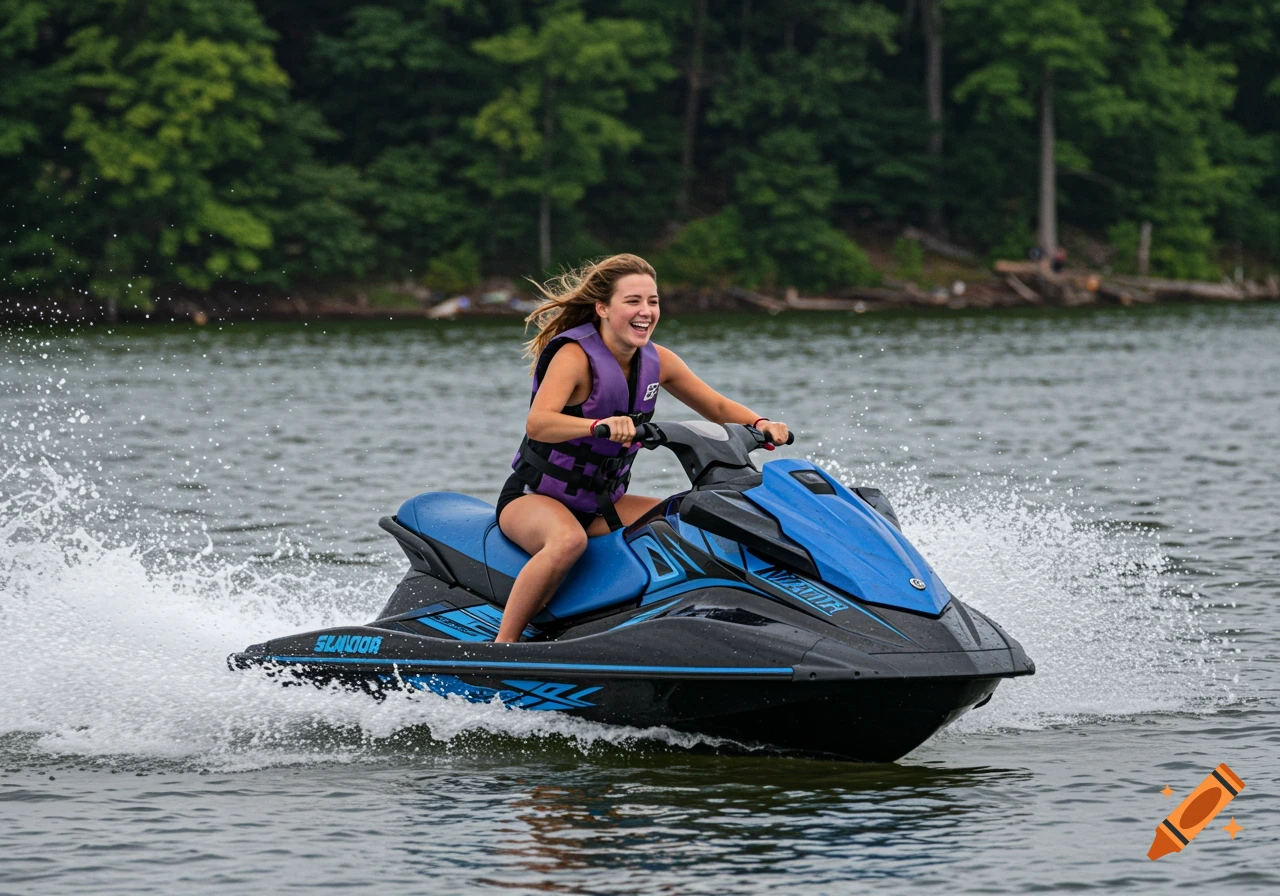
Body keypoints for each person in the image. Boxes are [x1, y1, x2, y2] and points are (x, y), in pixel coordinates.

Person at [494, 254, 790, 642]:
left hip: (601, 502)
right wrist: (597, 425)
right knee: (568, 541)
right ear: (602, 308)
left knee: (689, 520)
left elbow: (716, 407)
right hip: (534, 498)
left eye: (652, 302)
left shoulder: (658, 360)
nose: (646, 311)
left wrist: (760, 423)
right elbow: (539, 422)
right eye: (633, 301)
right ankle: (503, 648)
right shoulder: (574, 357)